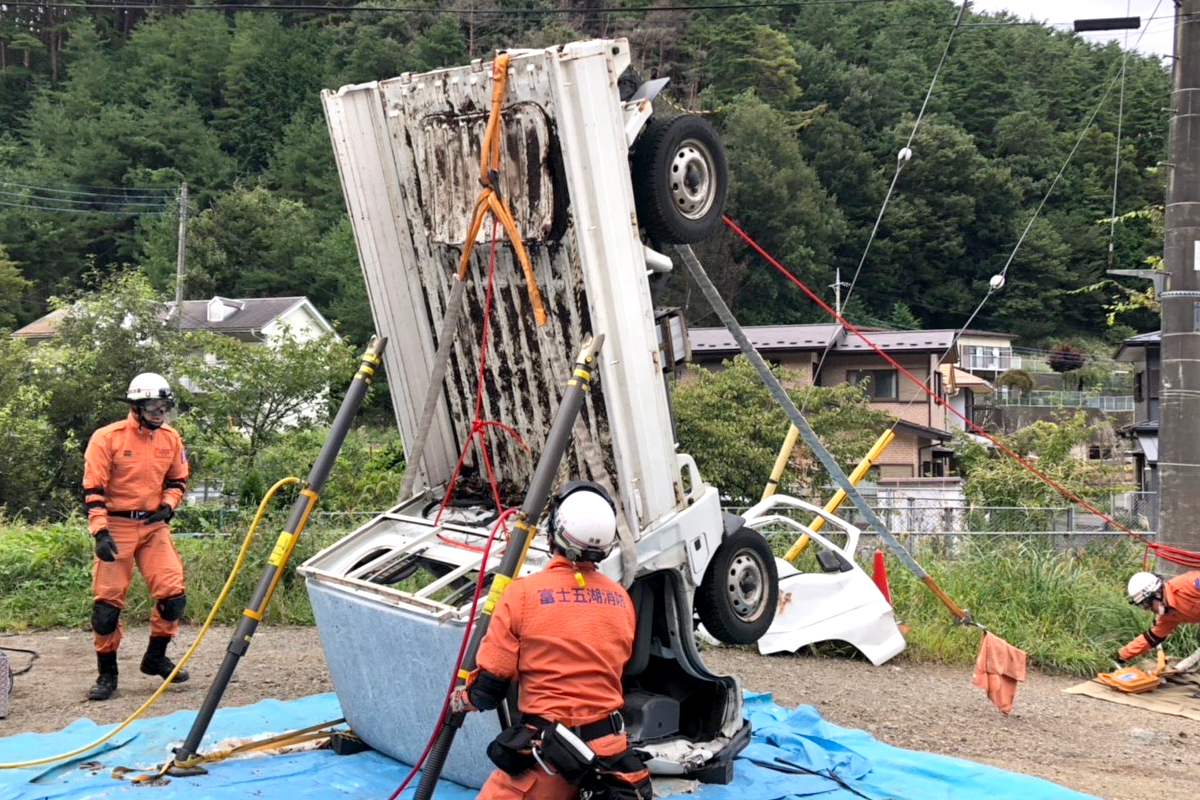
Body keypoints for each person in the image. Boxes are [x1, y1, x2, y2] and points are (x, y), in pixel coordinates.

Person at [451, 482, 651, 800]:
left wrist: (463, 699)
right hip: (611, 751)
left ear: (553, 530)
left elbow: (489, 688)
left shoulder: (521, 595)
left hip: (550, 756)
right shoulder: (620, 599)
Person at [82, 372, 190, 701]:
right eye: (154, 406)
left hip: (153, 527)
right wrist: (100, 530)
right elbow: (93, 488)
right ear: (137, 406)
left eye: (164, 407)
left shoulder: (171, 439)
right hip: (116, 526)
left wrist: (168, 506)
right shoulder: (107, 438)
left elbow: (178, 480)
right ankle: (107, 673)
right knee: (106, 609)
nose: (160, 413)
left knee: (173, 596)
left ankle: (155, 657)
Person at [1116, 570, 1200, 664]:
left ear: (1157, 594)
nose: (1147, 609)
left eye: (1147, 604)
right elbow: (1151, 638)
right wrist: (1121, 655)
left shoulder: (1188, 584)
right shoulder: (1166, 616)